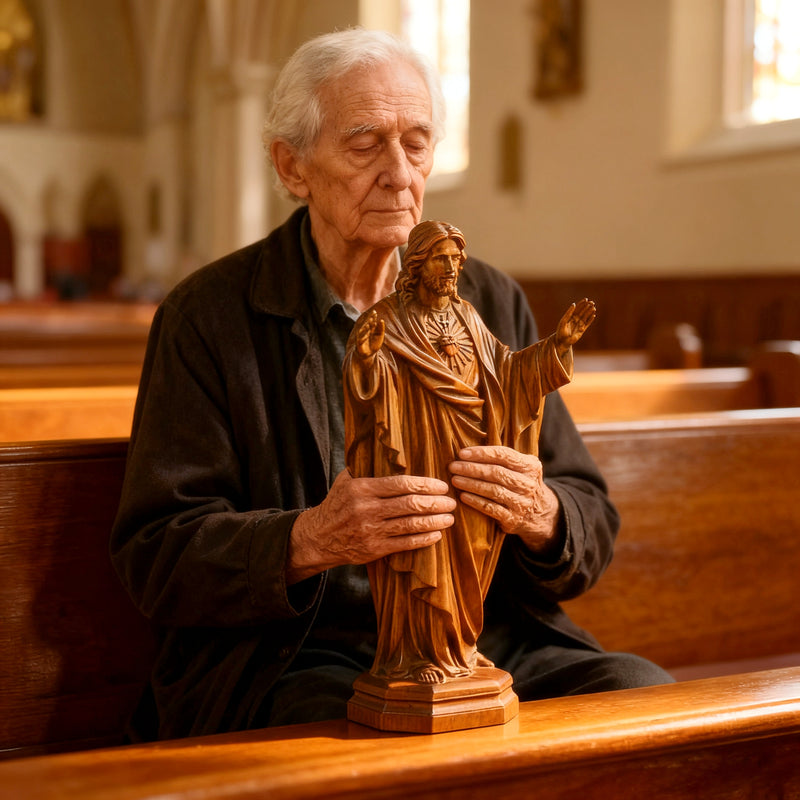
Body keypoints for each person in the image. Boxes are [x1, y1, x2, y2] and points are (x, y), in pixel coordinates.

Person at [111, 27, 672, 743]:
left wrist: (539, 511)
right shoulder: (209, 319)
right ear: (292, 167)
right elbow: (157, 552)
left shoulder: (490, 301)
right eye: (364, 142)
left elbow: (588, 513)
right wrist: (310, 537)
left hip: (484, 638)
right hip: (299, 652)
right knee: (362, 744)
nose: (400, 172)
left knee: (638, 701)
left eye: (417, 142)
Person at [344, 220, 595, 685]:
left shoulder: (468, 316)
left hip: (471, 474)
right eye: (442, 258)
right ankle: (414, 656)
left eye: (457, 259)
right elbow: (370, 394)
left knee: (468, 563)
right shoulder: (389, 320)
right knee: (423, 554)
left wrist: (553, 350)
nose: (452, 268)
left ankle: (458, 649)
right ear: (417, 264)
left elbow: (507, 370)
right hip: (421, 459)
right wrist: (365, 360)